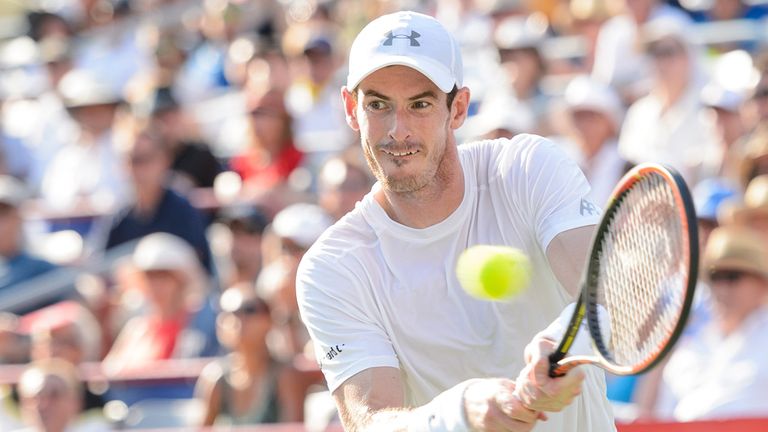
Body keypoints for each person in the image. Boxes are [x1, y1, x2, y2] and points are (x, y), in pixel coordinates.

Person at [296, 11, 615, 432]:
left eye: (421, 104)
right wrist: (461, 413)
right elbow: (369, 421)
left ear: (458, 107)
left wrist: (561, 346)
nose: (398, 130)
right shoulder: (331, 267)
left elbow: (606, 296)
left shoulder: (527, 168)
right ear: (352, 110)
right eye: (378, 104)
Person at [650, 225, 768, 421]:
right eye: (715, 276)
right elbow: (660, 417)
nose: (721, 287)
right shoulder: (691, 346)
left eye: (733, 276)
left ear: (762, 283)